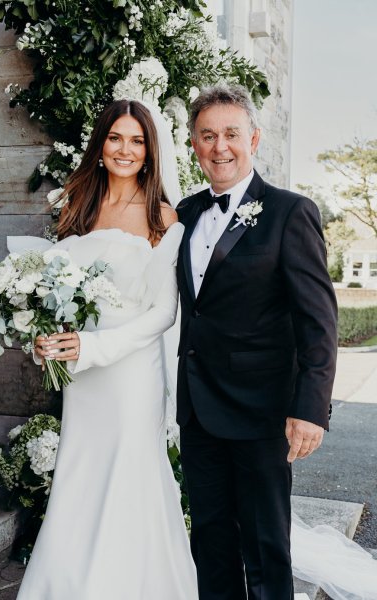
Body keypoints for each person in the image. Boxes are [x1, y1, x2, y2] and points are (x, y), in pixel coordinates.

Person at [11, 99, 199, 600]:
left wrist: (94, 346)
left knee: (127, 473)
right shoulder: (77, 207)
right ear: (100, 146)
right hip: (82, 374)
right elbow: (57, 291)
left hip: (129, 370)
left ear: (150, 150)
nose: (125, 149)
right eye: (116, 137)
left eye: (137, 140)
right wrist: (45, 332)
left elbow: (163, 313)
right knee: (79, 470)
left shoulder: (163, 215)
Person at [175, 84, 338, 600]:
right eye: (207, 136)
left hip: (263, 411)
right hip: (198, 410)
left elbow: (318, 320)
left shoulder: (291, 212)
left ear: (254, 139)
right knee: (211, 541)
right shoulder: (184, 213)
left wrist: (310, 407)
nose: (220, 146)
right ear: (194, 145)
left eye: (230, 134)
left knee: (266, 546)